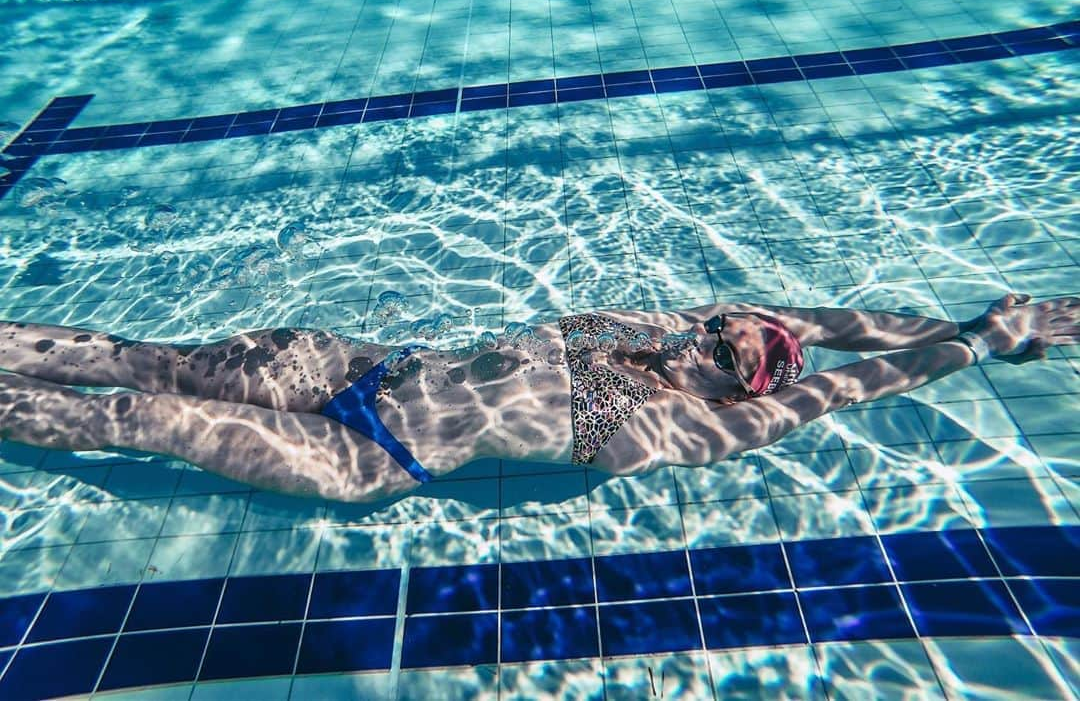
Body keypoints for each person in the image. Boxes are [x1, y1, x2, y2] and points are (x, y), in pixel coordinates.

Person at [0, 294, 1075, 503]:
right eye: (721, 322)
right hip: (348, 367)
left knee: (130, 420)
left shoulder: (699, 424)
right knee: (133, 358)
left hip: (368, 457)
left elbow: (843, 381)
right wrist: (981, 317)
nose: (708, 334)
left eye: (734, 347)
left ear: (749, 386)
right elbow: (840, 328)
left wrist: (977, 348)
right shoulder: (643, 332)